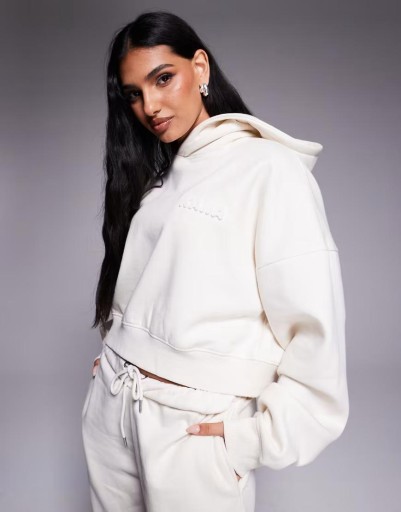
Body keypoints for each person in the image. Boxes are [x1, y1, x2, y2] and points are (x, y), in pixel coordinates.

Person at [81, 10, 349, 512]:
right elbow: (142, 288)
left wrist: (248, 443)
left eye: (163, 79)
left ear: (200, 67)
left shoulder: (269, 169)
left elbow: (314, 334)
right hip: (113, 409)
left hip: (191, 433)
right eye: (134, 94)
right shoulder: (160, 181)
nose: (150, 106)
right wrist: (117, 352)